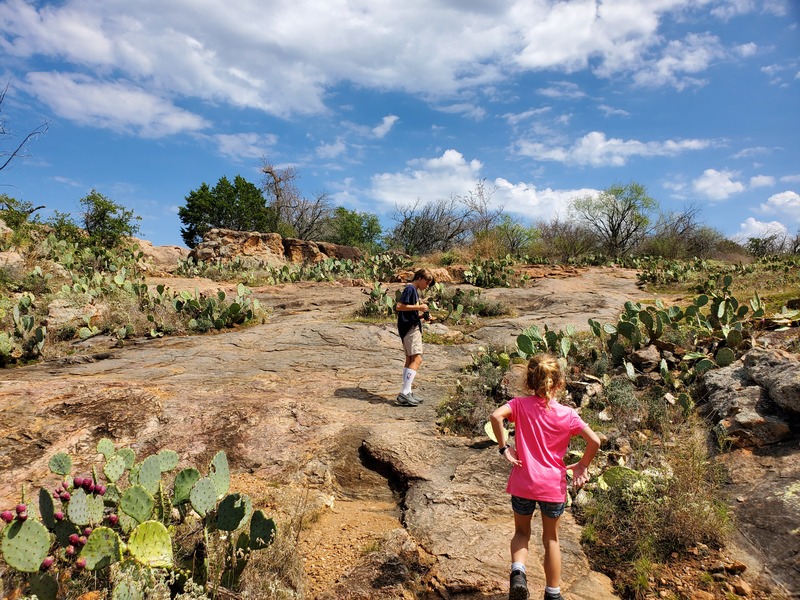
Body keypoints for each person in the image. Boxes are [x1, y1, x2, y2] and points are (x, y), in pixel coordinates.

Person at [490, 354, 601, 600]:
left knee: (521, 533)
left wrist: (504, 447)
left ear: (529, 382)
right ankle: (553, 594)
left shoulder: (519, 405)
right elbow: (594, 441)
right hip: (552, 486)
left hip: (523, 483)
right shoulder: (568, 415)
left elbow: (496, 416)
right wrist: (582, 465)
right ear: (559, 383)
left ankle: (518, 573)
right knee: (551, 538)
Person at [395, 268, 434, 406]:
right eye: (427, 282)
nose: (427, 286)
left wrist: (423, 315)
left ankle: (407, 391)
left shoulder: (413, 291)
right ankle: (405, 393)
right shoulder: (410, 289)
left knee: (410, 359)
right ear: (420, 278)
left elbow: (408, 312)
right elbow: (399, 306)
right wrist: (419, 307)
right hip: (410, 329)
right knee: (417, 359)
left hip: (408, 327)